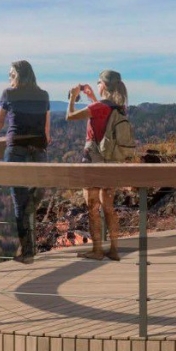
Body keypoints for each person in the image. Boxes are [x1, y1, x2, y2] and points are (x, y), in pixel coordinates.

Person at [0, 60, 50, 265]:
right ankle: (28, 249)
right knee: (36, 193)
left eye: (11, 74)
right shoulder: (43, 95)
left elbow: (0, 122)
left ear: (19, 75)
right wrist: (46, 140)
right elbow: (47, 124)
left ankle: (27, 250)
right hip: (39, 148)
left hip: (17, 149)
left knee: (21, 202)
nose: (9, 77)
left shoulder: (8, 94)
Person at [66, 69, 128, 261]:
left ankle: (97, 250)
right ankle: (115, 250)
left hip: (93, 160)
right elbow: (101, 115)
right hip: (110, 161)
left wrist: (73, 97)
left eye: (98, 83)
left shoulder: (99, 107)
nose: (97, 85)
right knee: (108, 207)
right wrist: (92, 96)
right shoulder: (119, 107)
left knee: (92, 207)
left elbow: (70, 116)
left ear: (104, 85)